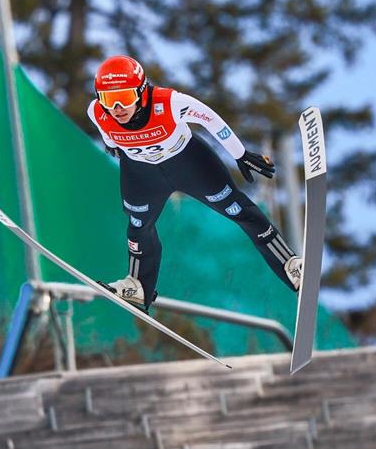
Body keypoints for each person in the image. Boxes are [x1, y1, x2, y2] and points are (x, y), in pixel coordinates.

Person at [86, 55, 302, 312]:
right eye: (109, 99)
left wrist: (240, 154)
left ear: (142, 92)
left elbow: (210, 119)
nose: (117, 108)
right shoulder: (97, 112)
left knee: (238, 210)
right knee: (137, 227)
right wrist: (115, 146)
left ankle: (290, 265)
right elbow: (108, 136)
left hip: (189, 164)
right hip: (142, 173)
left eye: (125, 97)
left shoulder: (169, 102)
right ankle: (138, 286)